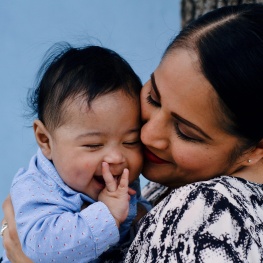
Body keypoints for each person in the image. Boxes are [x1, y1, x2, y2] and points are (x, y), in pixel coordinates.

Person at [2, 3, 263, 262]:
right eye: (153, 97)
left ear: (255, 149)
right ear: (45, 139)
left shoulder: (213, 211)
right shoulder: (166, 178)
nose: (146, 136)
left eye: (185, 131)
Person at [1, 44, 150, 263]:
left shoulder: (118, 179)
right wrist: (107, 214)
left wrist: (138, 216)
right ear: (45, 140)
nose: (117, 157)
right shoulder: (34, 187)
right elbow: (40, 248)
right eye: (93, 145)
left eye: (130, 141)